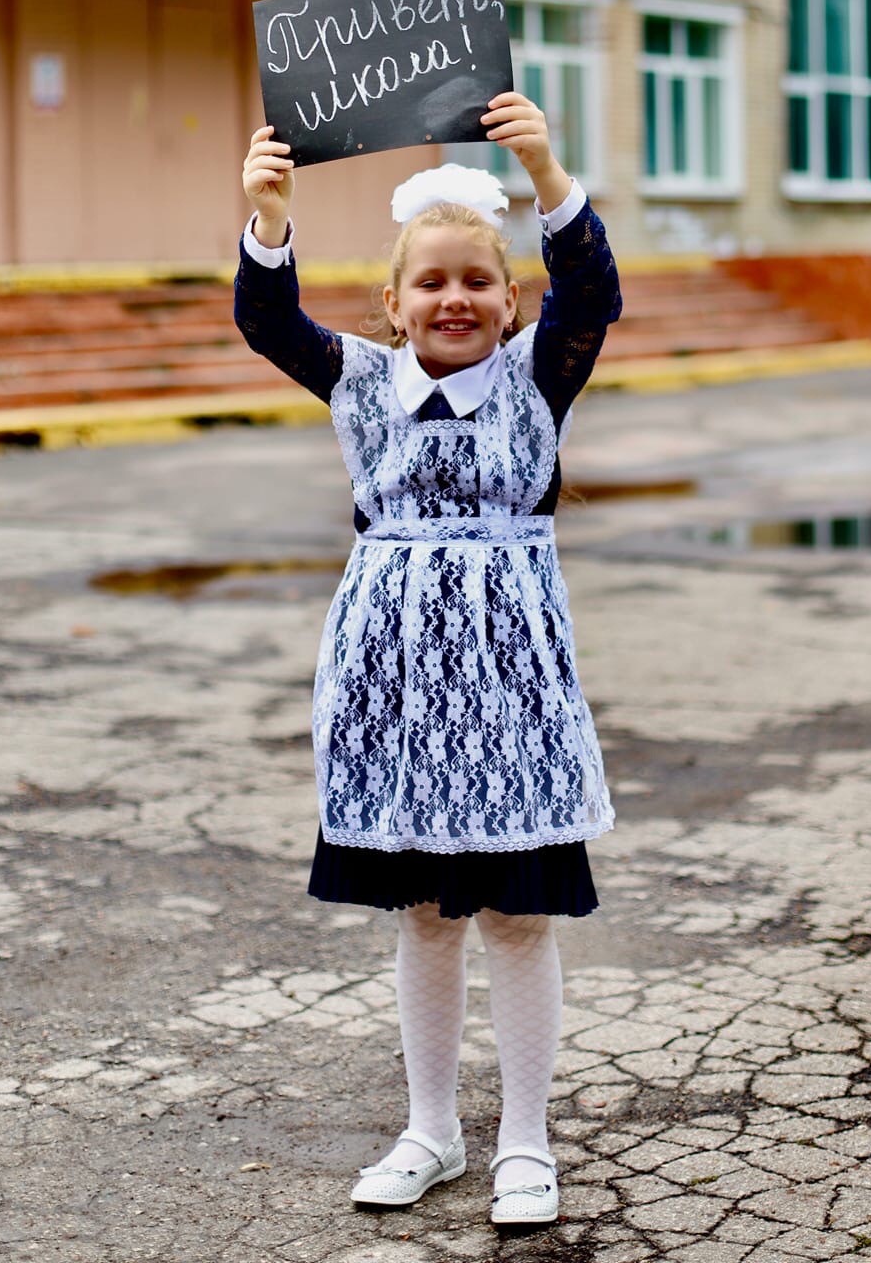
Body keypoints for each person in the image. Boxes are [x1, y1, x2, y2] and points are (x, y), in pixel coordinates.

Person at [235, 90, 621, 1228]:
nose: (453, 298)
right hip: (391, 680)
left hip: (510, 682)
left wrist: (544, 170)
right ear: (393, 307)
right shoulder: (359, 381)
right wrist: (268, 217)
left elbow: (593, 289)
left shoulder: (537, 377)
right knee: (423, 915)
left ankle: (524, 1144)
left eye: (476, 281)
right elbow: (268, 324)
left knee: (514, 916)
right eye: (430, 282)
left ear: (508, 303)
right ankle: (431, 1131)